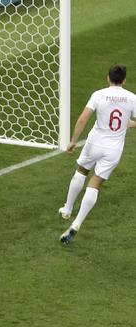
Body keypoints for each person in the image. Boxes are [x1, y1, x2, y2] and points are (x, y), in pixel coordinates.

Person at [59, 64, 136, 244]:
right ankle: (77, 223)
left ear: (107, 78)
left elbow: (83, 119)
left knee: (81, 171)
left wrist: (73, 141)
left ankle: (67, 209)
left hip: (94, 142)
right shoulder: (132, 98)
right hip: (113, 149)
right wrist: (131, 124)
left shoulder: (98, 95)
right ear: (124, 80)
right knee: (95, 184)